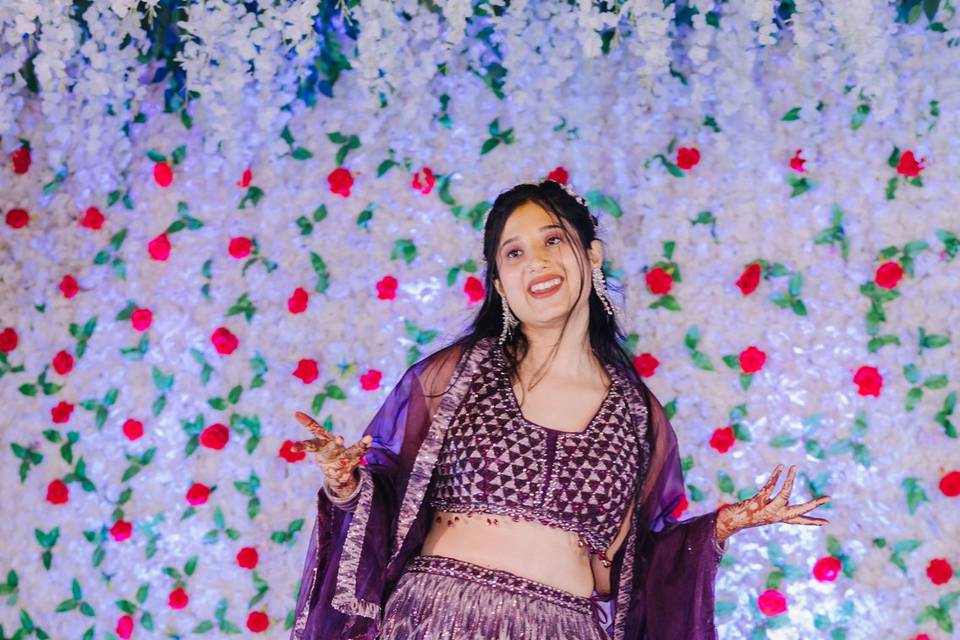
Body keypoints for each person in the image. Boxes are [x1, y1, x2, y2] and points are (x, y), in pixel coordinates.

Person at [288, 179, 832, 639]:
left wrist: (714, 531)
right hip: (435, 617)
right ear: (500, 283)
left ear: (590, 256)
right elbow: (388, 492)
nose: (538, 262)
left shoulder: (639, 416)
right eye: (515, 252)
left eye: (553, 240)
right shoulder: (451, 377)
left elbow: (627, 571)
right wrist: (346, 484)